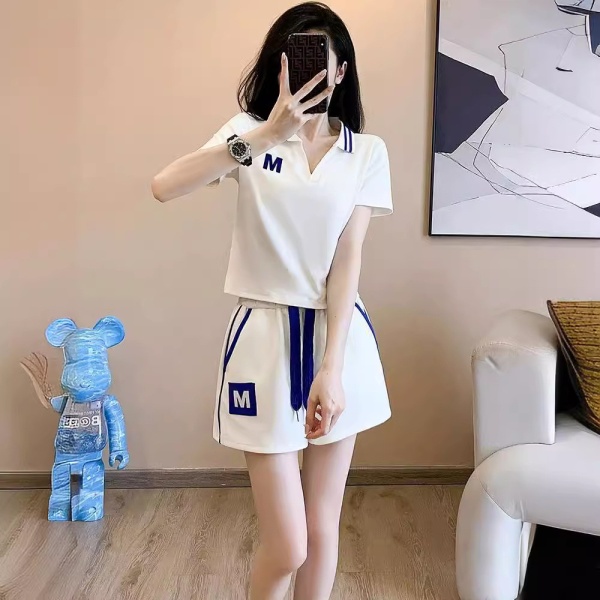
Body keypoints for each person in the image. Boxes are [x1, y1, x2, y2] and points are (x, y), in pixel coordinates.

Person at [151, 2, 392, 598]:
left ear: (341, 72)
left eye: (319, 60)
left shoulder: (366, 152)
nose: (305, 72)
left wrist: (332, 369)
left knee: (322, 526)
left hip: (340, 338)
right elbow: (164, 187)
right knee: (288, 545)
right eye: (292, 58)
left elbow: (348, 260)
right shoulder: (247, 133)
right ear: (277, 67)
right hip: (261, 339)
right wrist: (264, 135)